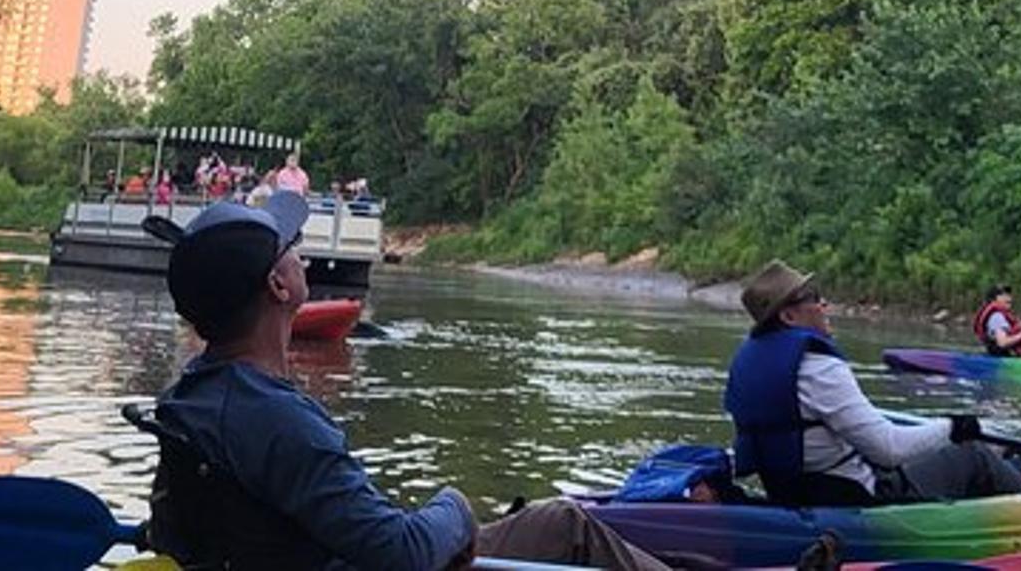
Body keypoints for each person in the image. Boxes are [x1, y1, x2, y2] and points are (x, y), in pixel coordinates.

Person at [136, 191, 674, 571]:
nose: (299, 252)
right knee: (564, 525)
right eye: (289, 247)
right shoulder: (278, 420)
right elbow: (404, 554)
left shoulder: (190, 397)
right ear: (279, 284)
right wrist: (456, 506)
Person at [724, 259, 1021, 507]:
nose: (824, 304)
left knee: (969, 451)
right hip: (853, 497)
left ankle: (1008, 472)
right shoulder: (818, 368)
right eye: (814, 297)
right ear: (789, 316)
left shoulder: (749, 361)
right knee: (974, 453)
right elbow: (888, 449)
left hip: (792, 493)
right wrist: (954, 427)